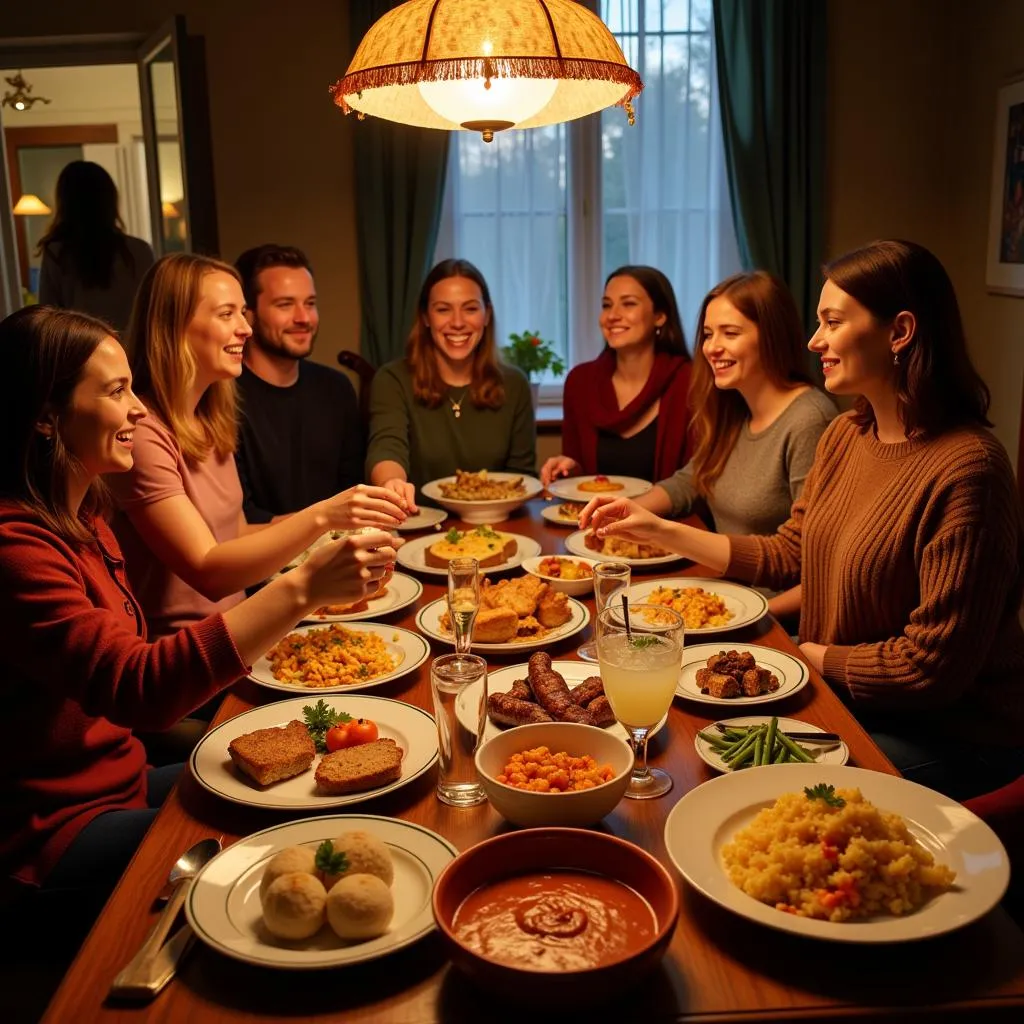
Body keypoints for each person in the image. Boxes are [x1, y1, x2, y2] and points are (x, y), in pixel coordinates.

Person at [581, 240, 1024, 802]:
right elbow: (792, 552)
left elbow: (931, 665)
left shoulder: (968, 468)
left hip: (952, 734)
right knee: (686, 755)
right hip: (843, 697)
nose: (814, 341)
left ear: (900, 332)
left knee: (735, 794)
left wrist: (808, 656)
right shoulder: (847, 435)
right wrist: (655, 527)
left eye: (833, 322)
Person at [0, 305, 396, 904]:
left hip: (122, 779)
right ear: (48, 419)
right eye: (115, 391)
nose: (138, 408)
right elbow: (142, 689)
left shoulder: (83, 520)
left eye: (133, 386)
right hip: (54, 833)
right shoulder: (15, 549)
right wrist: (304, 588)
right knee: (297, 840)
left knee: (328, 782)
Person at [108, 253, 407, 641]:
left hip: (243, 631)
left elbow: (239, 534)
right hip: (184, 656)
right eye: (226, 314)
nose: (245, 329)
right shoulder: (143, 431)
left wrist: (344, 528)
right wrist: (325, 517)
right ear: (175, 325)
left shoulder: (210, 416)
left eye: (243, 313)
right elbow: (209, 572)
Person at [633, 271, 836, 619]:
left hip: (776, 620)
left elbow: (822, 569)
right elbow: (690, 480)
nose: (712, 347)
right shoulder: (735, 408)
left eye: (730, 333)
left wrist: (749, 616)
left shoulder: (808, 420)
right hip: (726, 595)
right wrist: (622, 511)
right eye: (709, 334)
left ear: (771, 336)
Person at [367, 258, 537, 508]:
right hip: (415, 524)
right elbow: (387, 447)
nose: (457, 322)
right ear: (425, 316)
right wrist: (391, 482)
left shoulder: (515, 384)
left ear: (486, 315)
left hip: (497, 528)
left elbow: (521, 477)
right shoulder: (392, 380)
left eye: (470, 308)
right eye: (443, 309)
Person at [233, 244, 364, 523]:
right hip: (259, 559)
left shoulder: (337, 389)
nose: (303, 318)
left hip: (339, 551)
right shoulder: (223, 398)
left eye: (310, 303)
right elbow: (242, 517)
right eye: (285, 304)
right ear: (248, 314)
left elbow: (354, 491)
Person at [540, 266, 692, 487]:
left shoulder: (690, 381)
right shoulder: (580, 382)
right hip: (596, 519)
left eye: (628, 303)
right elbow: (580, 474)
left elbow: (697, 481)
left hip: (667, 520)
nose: (612, 316)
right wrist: (570, 468)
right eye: (606, 305)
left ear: (660, 316)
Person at [37, 160, 155, 334]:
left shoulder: (58, 254)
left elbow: (47, 321)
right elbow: (154, 311)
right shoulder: (139, 250)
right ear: (110, 200)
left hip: (81, 352)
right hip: (133, 352)